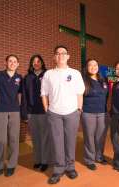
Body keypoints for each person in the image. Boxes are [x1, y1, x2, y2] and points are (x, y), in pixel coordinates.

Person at [41, 45, 85, 184]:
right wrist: (47, 109)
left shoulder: (75, 73)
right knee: (57, 142)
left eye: (63, 53)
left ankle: (70, 167)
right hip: (54, 113)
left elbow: (80, 92)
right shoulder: (48, 74)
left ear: (68, 56)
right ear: (55, 57)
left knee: (70, 141)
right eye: (58, 53)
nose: (61, 55)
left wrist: (79, 109)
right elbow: (44, 93)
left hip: (72, 112)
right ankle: (58, 169)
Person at [0, 54, 22, 177]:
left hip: (15, 111)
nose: (12, 63)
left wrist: (17, 106)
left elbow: (19, 95)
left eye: (15, 61)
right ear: (6, 63)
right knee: (1, 139)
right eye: (10, 61)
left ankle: (11, 165)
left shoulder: (19, 77)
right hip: (1, 110)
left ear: (18, 64)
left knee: (14, 139)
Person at [21, 54, 48, 172]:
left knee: (45, 138)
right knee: (35, 138)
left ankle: (45, 161)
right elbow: (24, 97)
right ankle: (38, 160)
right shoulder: (27, 78)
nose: (36, 63)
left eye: (38, 61)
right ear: (31, 64)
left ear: (42, 63)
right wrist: (24, 113)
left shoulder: (48, 75)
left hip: (44, 111)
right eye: (34, 61)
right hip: (32, 112)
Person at [82, 59, 108, 170]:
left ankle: (99, 156)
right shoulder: (83, 81)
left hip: (102, 112)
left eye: (95, 64)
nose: (93, 67)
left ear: (98, 67)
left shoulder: (103, 80)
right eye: (90, 65)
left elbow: (107, 96)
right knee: (89, 137)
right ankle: (89, 159)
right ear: (87, 68)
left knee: (100, 137)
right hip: (88, 113)